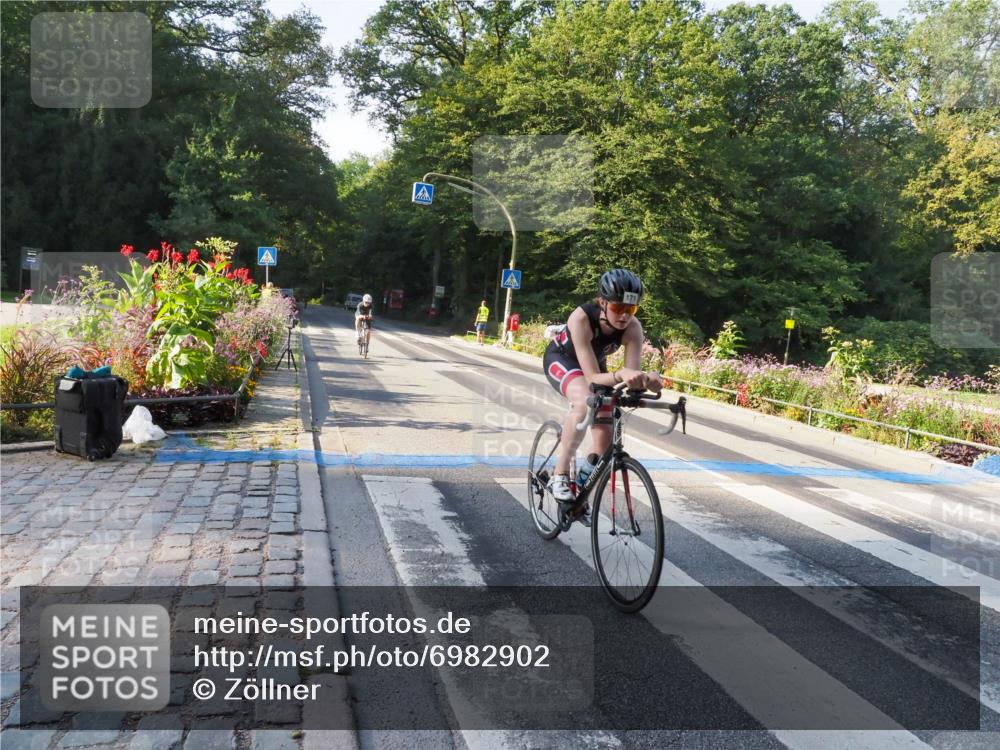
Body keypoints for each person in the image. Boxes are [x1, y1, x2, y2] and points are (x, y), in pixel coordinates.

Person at [542, 269, 663, 514]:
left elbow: (632, 376)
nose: (624, 316)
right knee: (584, 400)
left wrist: (647, 380)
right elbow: (593, 378)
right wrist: (621, 375)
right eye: (618, 308)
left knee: (605, 435)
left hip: (597, 366)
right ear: (602, 301)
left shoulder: (633, 328)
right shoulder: (581, 318)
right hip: (563, 360)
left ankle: (581, 489)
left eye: (632, 309)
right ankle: (559, 473)